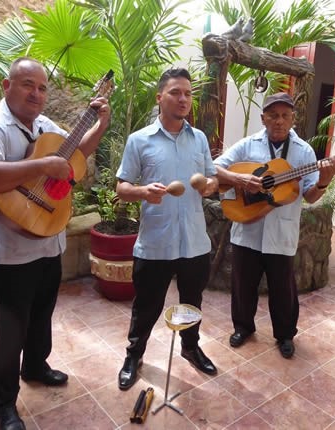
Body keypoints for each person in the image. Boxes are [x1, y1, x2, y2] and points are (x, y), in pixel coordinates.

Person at [0, 57, 110, 430]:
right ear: (6, 85)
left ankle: (35, 366)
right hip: (10, 245)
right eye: (28, 84)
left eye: (43, 87)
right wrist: (41, 167)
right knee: (12, 322)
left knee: (43, 311)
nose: (36, 93)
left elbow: (75, 155)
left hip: (50, 237)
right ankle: (2, 403)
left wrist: (101, 124)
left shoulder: (47, 127)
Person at [116, 67, 219, 390]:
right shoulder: (139, 140)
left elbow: (211, 177)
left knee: (192, 302)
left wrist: (210, 186)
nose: (183, 99)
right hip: (156, 241)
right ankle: (134, 355)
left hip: (193, 242)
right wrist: (143, 192)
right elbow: (121, 187)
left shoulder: (199, 138)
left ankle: (190, 347)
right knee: (146, 305)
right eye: (176, 92)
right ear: (160, 97)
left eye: (188, 93)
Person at [213, 92, 335, 359]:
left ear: (293, 119)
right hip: (248, 228)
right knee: (243, 284)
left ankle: (285, 335)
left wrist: (324, 182)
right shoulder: (247, 146)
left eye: (285, 116)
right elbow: (214, 168)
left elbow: (310, 196)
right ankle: (243, 327)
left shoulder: (303, 152)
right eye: (273, 115)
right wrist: (241, 179)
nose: (279, 121)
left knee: (283, 289)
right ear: (263, 118)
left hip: (282, 232)